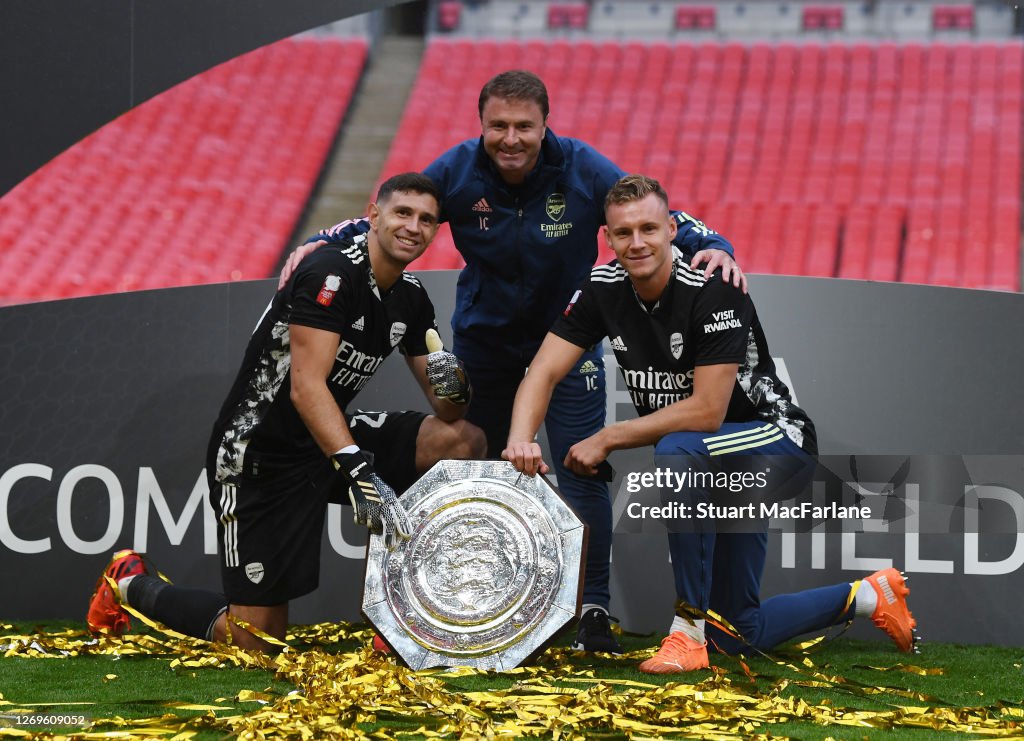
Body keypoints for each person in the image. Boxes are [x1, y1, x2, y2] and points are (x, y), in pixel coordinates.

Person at [280, 70, 745, 653]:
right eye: (497, 125)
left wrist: (716, 247)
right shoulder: (458, 169)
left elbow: (650, 209)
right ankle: (475, 606)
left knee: (583, 475)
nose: (511, 138)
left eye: (524, 126)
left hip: (570, 345)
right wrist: (324, 239)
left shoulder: (582, 167)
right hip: (485, 347)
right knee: (481, 468)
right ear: (482, 125)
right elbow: (399, 207)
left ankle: (593, 605)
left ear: (545, 125)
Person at [501, 174, 918, 673]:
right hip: (715, 462)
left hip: (775, 440)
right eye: (623, 233)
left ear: (671, 230)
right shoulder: (600, 289)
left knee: (679, 448)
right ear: (607, 238)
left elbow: (707, 411)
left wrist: (609, 436)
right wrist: (520, 440)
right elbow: (543, 370)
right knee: (739, 632)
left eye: (649, 229)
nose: (637, 243)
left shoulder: (713, 287)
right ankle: (869, 595)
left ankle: (687, 629)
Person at [87, 173, 486, 650]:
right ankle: (129, 583)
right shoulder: (330, 275)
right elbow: (305, 387)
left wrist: (453, 382)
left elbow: (446, 408)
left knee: (462, 440)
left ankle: (402, 615)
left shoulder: (412, 297)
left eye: (426, 220)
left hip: (321, 441)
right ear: (374, 215)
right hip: (259, 454)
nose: (413, 227)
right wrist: (357, 465)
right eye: (403, 213)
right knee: (255, 641)